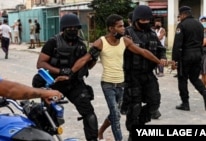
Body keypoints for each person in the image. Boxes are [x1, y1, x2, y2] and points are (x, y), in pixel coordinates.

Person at [66, 14, 165, 141]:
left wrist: (159, 61)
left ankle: (100, 130)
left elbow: (143, 52)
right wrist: (68, 73)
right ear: (111, 29)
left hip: (122, 83)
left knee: (116, 112)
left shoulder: (125, 41)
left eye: (123, 25)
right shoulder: (101, 42)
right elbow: (85, 59)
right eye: (120, 26)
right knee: (116, 115)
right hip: (108, 84)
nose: (124, 28)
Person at [34, 13, 98, 141]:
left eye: (76, 28)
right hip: (54, 83)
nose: (73, 31)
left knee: (89, 114)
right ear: (63, 29)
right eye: (70, 28)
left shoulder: (81, 44)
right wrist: (60, 71)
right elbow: (40, 64)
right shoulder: (53, 42)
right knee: (49, 117)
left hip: (74, 83)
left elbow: (88, 66)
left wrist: (94, 57)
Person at [121, 5, 167, 140]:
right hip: (132, 76)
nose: (146, 23)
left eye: (148, 20)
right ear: (136, 20)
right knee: (134, 106)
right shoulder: (127, 34)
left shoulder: (152, 33)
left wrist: (163, 57)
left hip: (148, 74)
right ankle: (132, 132)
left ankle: (140, 123)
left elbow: (160, 49)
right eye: (143, 21)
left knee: (154, 102)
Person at [171, 6, 206, 111]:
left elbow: (177, 44)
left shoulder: (182, 25)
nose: (179, 18)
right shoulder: (199, 24)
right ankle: (205, 93)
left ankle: (185, 103)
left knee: (182, 79)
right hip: (198, 54)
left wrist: (174, 59)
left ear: (183, 14)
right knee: (194, 78)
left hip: (186, 56)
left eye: (180, 15)